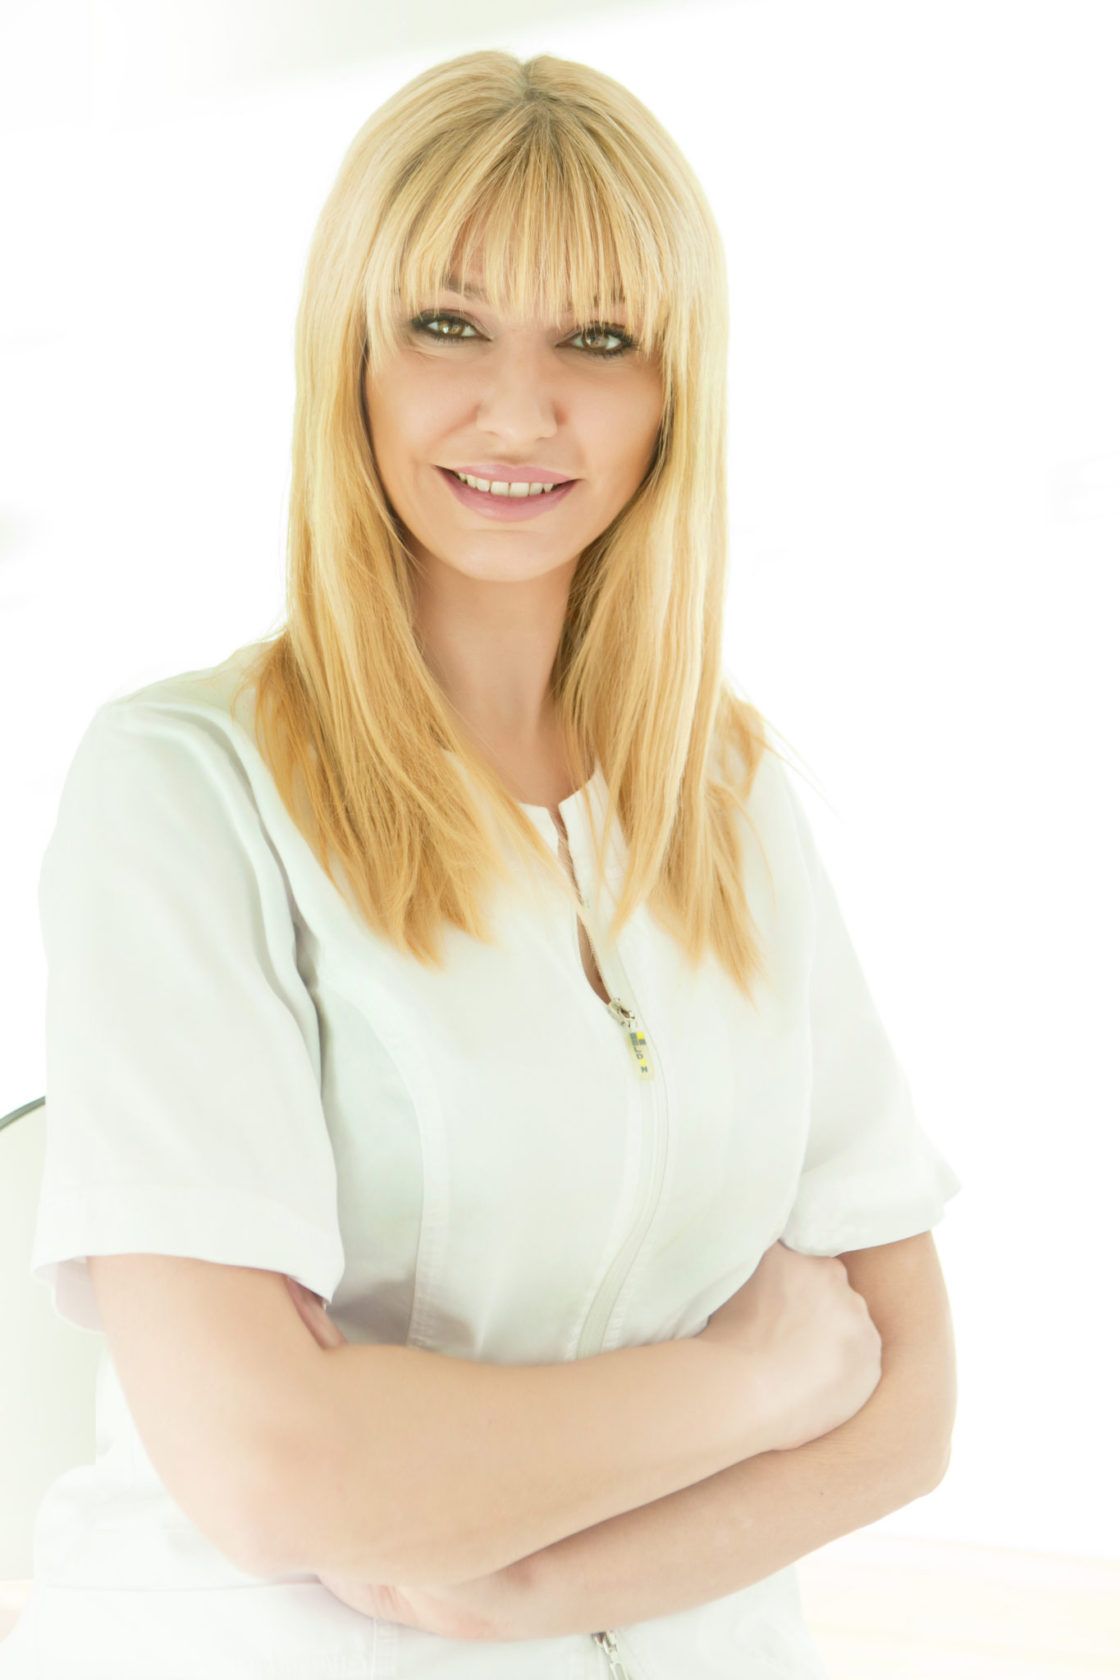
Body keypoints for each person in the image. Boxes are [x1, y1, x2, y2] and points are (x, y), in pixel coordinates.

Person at [4, 49, 961, 1679]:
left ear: (675, 392)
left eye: (599, 340)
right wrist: (755, 1380)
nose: (520, 411)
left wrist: (525, 1587)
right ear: (351, 360)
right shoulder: (184, 788)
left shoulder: (728, 801)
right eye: (448, 326)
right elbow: (272, 1470)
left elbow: (909, 1405)